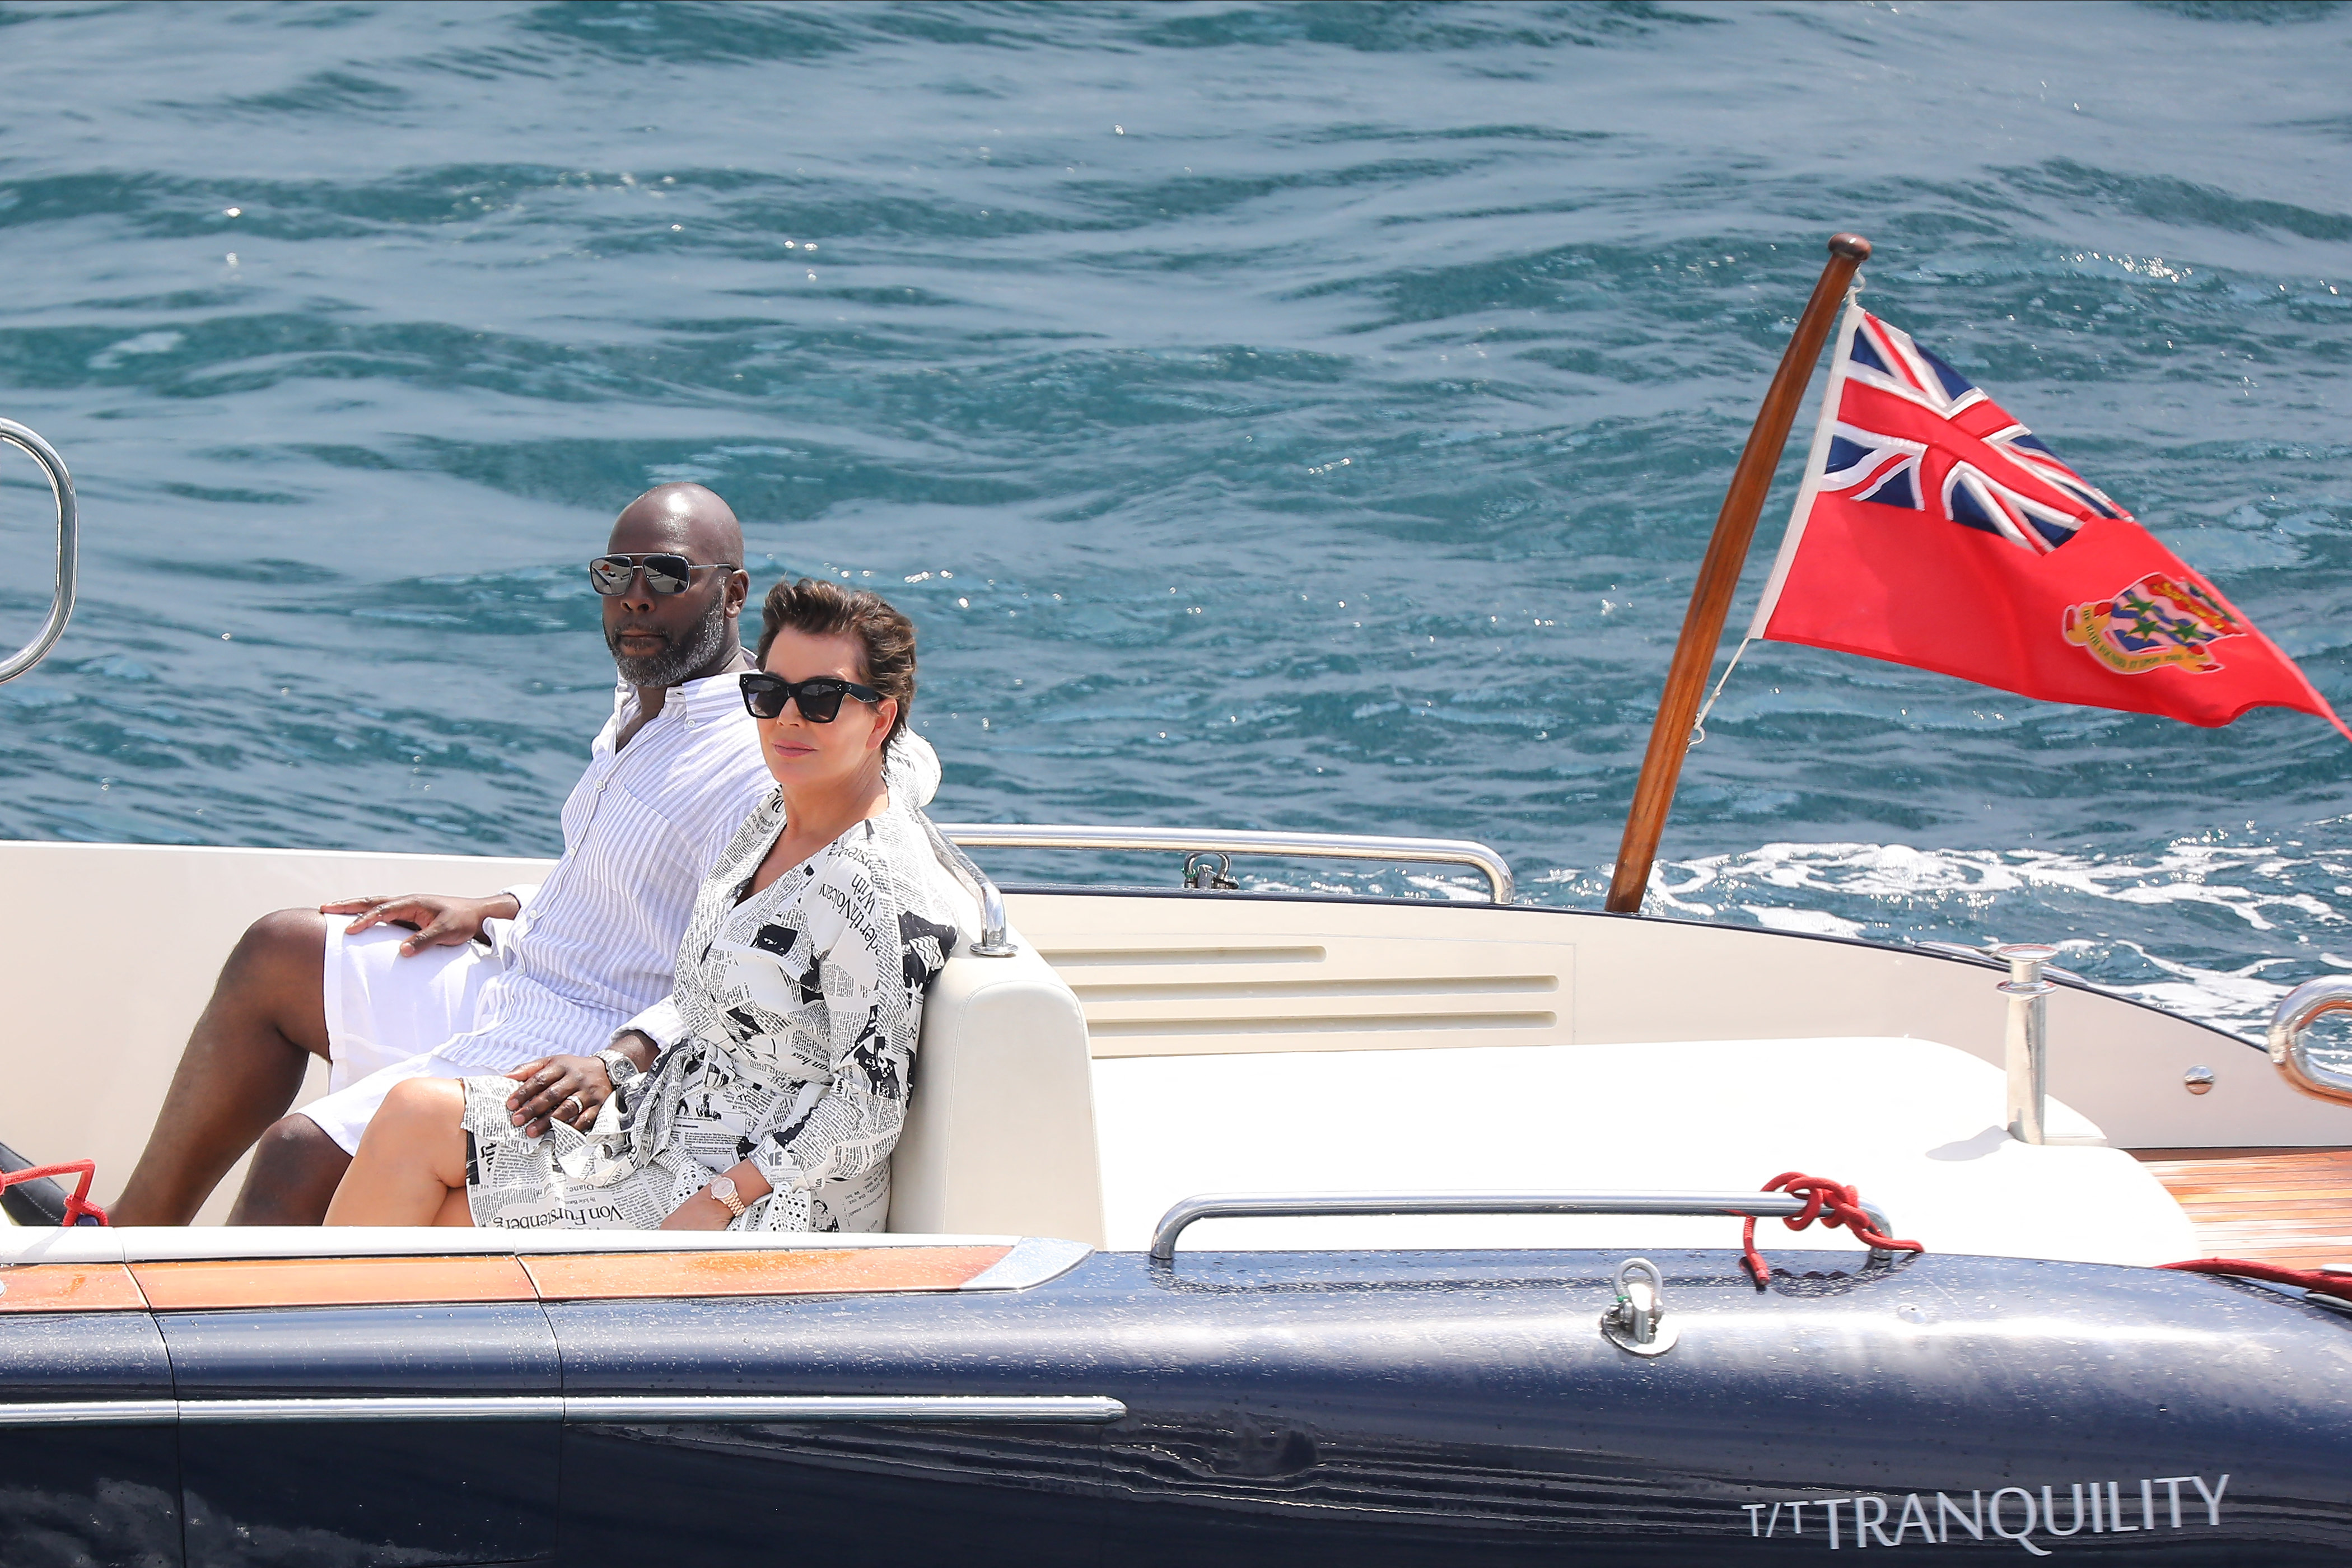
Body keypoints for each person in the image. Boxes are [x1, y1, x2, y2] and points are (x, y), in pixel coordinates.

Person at [109, 484, 940, 1226]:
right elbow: (630, 876)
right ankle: (127, 1232)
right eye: (615, 576)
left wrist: (625, 1060)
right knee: (280, 950)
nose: (636, 598)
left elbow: (758, 948)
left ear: (731, 594)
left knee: (300, 1150)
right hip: (521, 967)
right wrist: (498, 906)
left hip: (594, 1027)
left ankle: (201, 1333)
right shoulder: (652, 705)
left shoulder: (764, 759)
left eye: (665, 575)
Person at [326, 578, 966, 1231]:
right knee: (411, 1114)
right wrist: (614, 1066)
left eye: (823, 698)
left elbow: (868, 1108)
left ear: (880, 720)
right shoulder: (776, 814)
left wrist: (725, 1197)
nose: (789, 719)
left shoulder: (869, 885)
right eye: (769, 693)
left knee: (444, 1218)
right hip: (663, 1126)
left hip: (764, 1193)